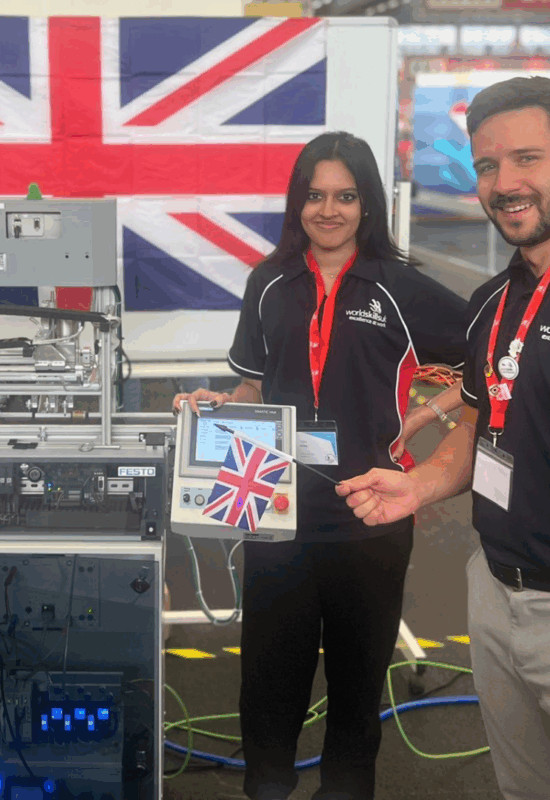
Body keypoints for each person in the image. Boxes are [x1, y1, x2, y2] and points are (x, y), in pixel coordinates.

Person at [173, 131, 467, 800]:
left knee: (357, 695)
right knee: (268, 690)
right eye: (314, 196)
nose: (328, 210)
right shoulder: (269, 281)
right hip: (275, 515)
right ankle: (267, 786)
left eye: (344, 196)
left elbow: (487, 351)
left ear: (367, 205)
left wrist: (429, 416)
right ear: (296, 203)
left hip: (372, 517)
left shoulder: (398, 286)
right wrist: (219, 404)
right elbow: (252, 386)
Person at [337, 76, 550, 800]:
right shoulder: (493, 303)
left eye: (528, 159)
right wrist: (420, 484)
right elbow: (480, 421)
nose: (506, 184)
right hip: (494, 590)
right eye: (488, 166)